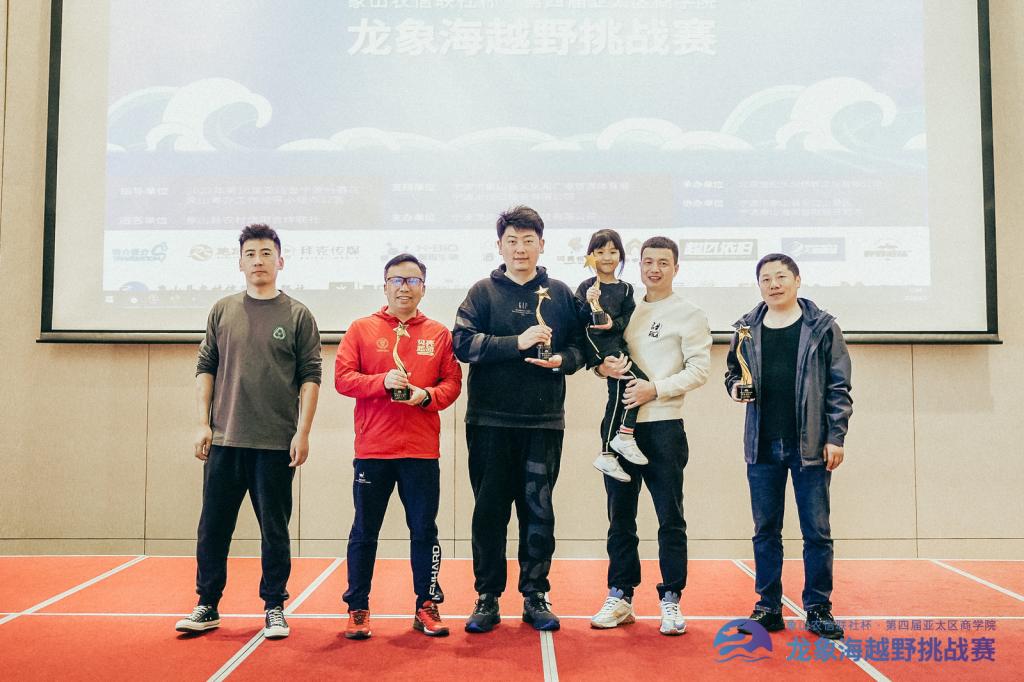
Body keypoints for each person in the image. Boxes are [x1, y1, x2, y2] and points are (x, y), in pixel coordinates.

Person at [175, 224, 322, 640]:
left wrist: (303, 432)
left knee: (274, 530)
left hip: (275, 443)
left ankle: (274, 606)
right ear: (240, 262)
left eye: (266, 253)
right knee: (213, 528)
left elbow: (311, 376)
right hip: (225, 440)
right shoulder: (223, 310)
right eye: (251, 254)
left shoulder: (297, 315)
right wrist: (202, 423)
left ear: (281, 261)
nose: (259, 260)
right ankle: (207, 604)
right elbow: (206, 367)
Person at [452, 205, 586, 633]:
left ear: (542, 245)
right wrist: (518, 342)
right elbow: (462, 344)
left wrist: (563, 360)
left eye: (529, 240)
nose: (520, 248)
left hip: (542, 422)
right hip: (489, 422)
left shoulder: (560, 294)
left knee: (538, 511)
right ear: (500, 246)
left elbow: (582, 349)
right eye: (512, 241)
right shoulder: (481, 292)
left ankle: (535, 595)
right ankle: (487, 597)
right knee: (489, 513)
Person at [334, 253, 463, 640]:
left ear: (423, 287)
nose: (404, 288)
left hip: (421, 452)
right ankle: (358, 607)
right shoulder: (361, 329)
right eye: (396, 280)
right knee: (364, 531)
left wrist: (426, 396)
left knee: (424, 531)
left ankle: (427, 604)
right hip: (373, 451)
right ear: (385, 285)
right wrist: (381, 382)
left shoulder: (438, 334)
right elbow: (342, 378)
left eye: (412, 281)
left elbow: (452, 384)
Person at [724, 253, 852, 640]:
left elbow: (839, 387)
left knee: (816, 531)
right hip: (761, 446)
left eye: (781, 277)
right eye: (766, 279)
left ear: (797, 280)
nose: (774, 284)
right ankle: (768, 607)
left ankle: (818, 608)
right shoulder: (746, 328)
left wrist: (835, 437)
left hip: (809, 445)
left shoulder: (823, 328)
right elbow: (733, 372)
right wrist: (735, 387)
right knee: (765, 530)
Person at [589, 236, 711, 636]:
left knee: (669, 517)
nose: (654, 269)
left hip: (663, 427)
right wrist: (601, 368)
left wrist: (653, 389)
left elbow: (699, 370)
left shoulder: (689, 314)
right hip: (618, 427)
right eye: (647, 262)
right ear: (638, 266)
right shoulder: (626, 308)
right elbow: (606, 354)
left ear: (676, 267)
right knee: (620, 517)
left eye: (662, 262)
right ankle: (620, 596)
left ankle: (671, 599)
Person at [575, 228, 651, 483]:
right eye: (600, 252)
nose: (607, 257)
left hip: (617, 344)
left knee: (617, 398)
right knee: (638, 382)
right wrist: (588, 303)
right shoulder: (586, 287)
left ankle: (607, 453)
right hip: (598, 346)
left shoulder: (626, 289)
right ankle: (625, 435)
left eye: (613, 251)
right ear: (590, 256)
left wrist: (612, 324)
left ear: (621, 255)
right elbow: (577, 321)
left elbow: (628, 318)